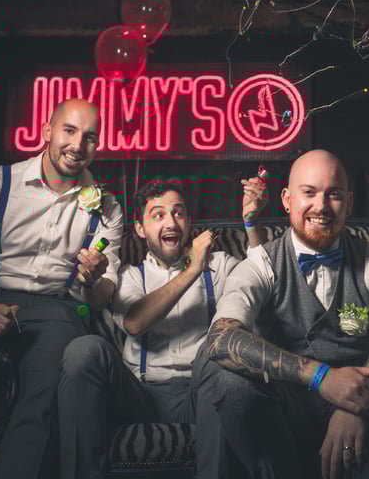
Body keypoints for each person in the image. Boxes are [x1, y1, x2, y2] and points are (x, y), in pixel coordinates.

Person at [200, 149, 369, 479]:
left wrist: (356, 402)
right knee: (230, 381)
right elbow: (221, 338)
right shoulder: (261, 263)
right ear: (287, 200)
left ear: (348, 202)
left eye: (333, 194)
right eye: (309, 192)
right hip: (285, 411)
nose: (321, 206)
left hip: (363, 411)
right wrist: (322, 377)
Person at [0, 99, 123, 479]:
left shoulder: (108, 208)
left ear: (97, 145)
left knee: (42, 403)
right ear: (46, 132)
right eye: (69, 131)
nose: (77, 145)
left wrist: (92, 280)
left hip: (59, 309)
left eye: (89, 137)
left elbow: (101, 299)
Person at [57, 176, 269, 479]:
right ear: (140, 229)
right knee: (83, 350)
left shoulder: (219, 265)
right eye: (158, 215)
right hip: (139, 396)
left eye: (179, 212)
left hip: (200, 395)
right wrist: (192, 269)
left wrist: (251, 222)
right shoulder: (130, 275)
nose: (171, 222)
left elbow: (263, 277)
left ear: (189, 222)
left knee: (219, 350)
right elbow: (135, 322)